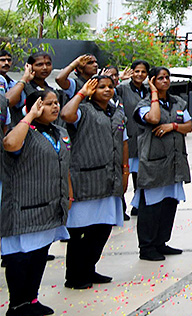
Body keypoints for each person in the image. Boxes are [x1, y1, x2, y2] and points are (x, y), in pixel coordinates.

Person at [1, 89, 69, 316]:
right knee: (20, 258)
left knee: (40, 254)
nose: (54, 107)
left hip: (49, 207)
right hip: (23, 209)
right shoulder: (22, 132)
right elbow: (9, 144)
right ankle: (17, 305)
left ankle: (31, 299)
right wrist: (29, 116)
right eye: (47, 103)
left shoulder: (59, 131)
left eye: (56, 102)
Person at [61, 75, 127, 289]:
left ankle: (89, 268)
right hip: (86, 180)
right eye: (101, 87)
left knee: (102, 228)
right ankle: (74, 275)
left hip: (110, 180)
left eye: (110, 87)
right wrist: (81, 94)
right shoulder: (83, 110)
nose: (107, 90)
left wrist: (125, 171)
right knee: (81, 232)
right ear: (92, 89)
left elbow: (124, 141)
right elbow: (66, 114)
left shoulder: (117, 112)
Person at [134, 67, 192, 262]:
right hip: (154, 164)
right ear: (152, 81)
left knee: (169, 204)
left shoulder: (178, 102)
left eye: (167, 77)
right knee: (151, 207)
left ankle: (161, 242)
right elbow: (154, 118)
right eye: (160, 78)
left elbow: (189, 126)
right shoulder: (143, 105)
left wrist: (173, 126)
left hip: (174, 162)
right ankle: (147, 246)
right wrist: (153, 94)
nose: (165, 81)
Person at [115, 60, 151, 216]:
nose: (139, 75)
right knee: (124, 172)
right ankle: (120, 207)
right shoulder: (122, 88)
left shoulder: (149, 90)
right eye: (137, 71)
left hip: (143, 139)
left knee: (141, 174)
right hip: (127, 138)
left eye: (143, 72)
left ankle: (138, 204)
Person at [6, 52, 56, 122]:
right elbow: (8, 101)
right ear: (30, 67)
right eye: (39, 65)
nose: (45, 68)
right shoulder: (23, 88)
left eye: (48, 64)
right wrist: (25, 78)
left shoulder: (51, 91)